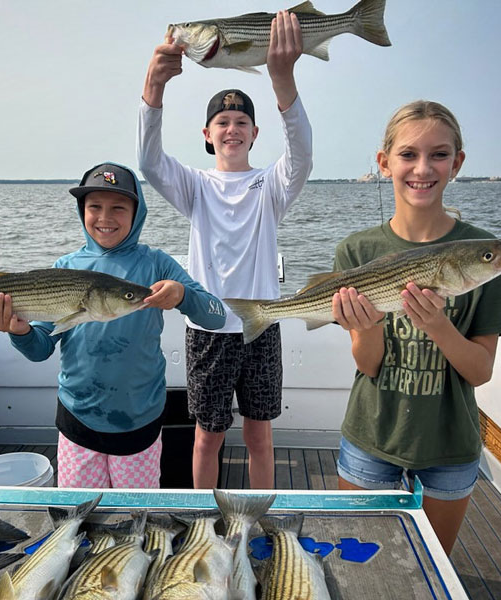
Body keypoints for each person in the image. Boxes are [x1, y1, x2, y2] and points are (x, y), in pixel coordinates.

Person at [330, 100, 501, 554]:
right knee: (357, 562)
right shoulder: (356, 251)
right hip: (372, 434)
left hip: (451, 443)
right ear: (384, 162)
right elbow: (368, 363)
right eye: (408, 154)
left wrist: (438, 326)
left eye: (438, 154)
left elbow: (480, 371)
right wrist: (368, 327)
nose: (422, 168)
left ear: (457, 163)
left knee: (433, 562)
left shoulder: (484, 260)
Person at [138, 11, 313, 489]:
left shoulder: (270, 185)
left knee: (259, 435)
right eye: (222, 121)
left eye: (241, 121)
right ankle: (203, 524)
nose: (232, 128)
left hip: (261, 327)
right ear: (207, 134)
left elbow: (302, 155)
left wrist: (283, 81)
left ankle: (260, 519)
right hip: (208, 326)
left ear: (256, 133)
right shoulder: (195, 186)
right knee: (207, 437)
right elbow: (149, 162)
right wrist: (154, 91)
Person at [0, 162, 226, 489]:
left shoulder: (156, 263)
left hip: (139, 419)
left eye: (118, 207)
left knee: (136, 516)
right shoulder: (64, 268)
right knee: (80, 517)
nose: (105, 217)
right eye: (94, 206)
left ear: (136, 212)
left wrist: (182, 295)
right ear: (81, 210)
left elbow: (215, 316)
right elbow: (41, 348)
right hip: (77, 418)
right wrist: (19, 332)